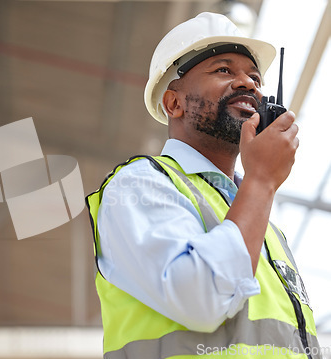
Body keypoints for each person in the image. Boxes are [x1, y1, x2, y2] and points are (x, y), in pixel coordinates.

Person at [86, 12, 321, 359]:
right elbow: (200, 298)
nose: (249, 84)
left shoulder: (264, 225)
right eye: (224, 70)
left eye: (254, 76)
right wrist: (261, 180)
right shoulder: (138, 184)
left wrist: (259, 185)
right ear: (174, 103)